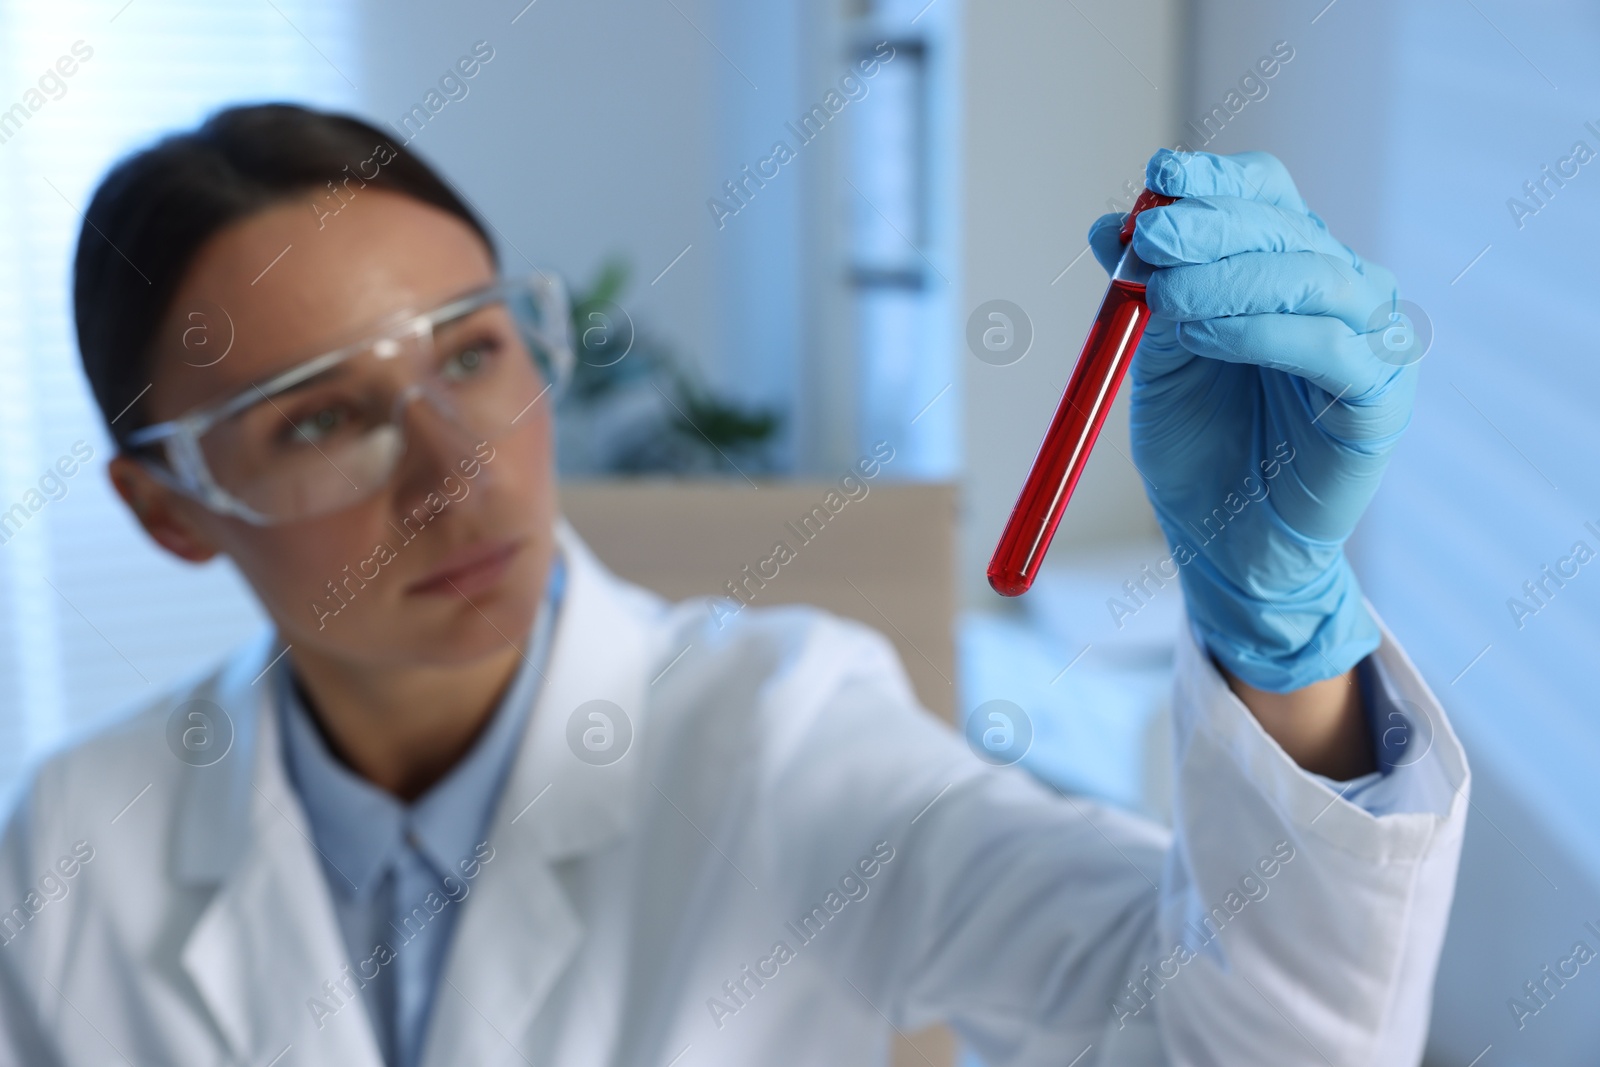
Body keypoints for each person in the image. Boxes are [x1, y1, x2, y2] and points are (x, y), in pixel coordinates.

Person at [0, 104, 1467, 1067]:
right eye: (321, 417)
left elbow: (1237, 1047)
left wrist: (1280, 646)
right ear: (170, 511)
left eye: (470, 353)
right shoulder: (80, 841)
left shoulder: (784, 733)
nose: (456, 470)